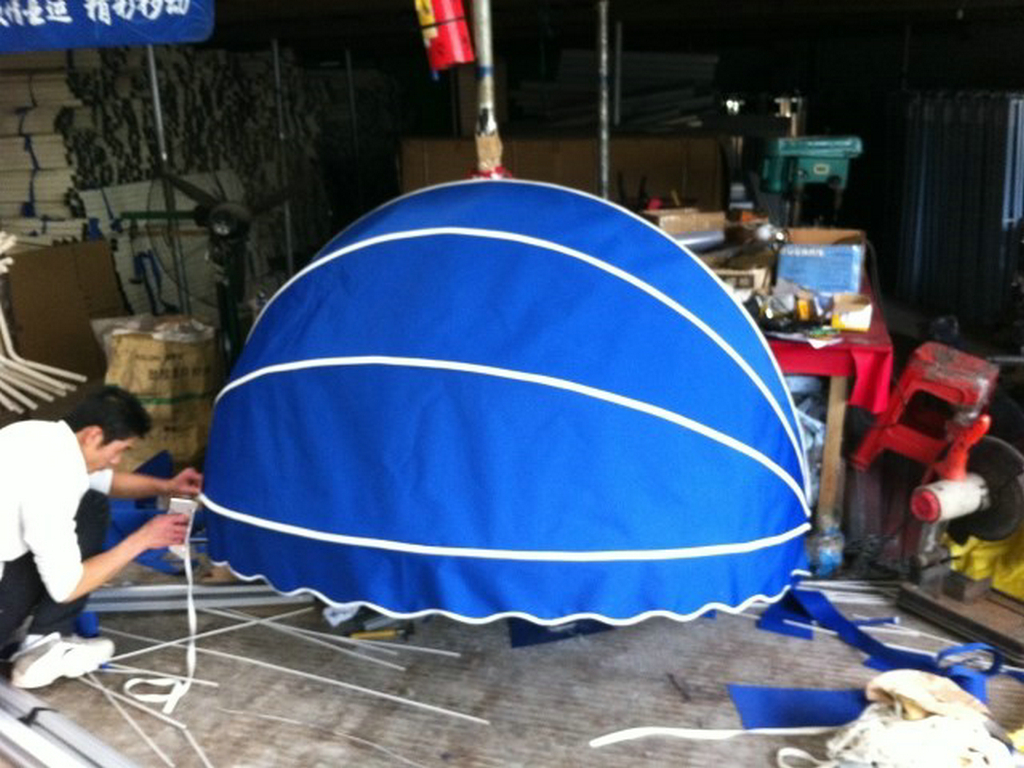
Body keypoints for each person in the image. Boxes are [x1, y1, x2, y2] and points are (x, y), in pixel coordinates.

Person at [0, 385, 202, 688]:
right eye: (119, 450)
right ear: (93, 435)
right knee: (91, 510)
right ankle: (45, 644)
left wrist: (168, 486)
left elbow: (105, 481)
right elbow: (67, 587)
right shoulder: (54, 482)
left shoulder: (34, 434)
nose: (117, 460)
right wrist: (143, 539)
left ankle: (38, 636)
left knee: (91, 501)